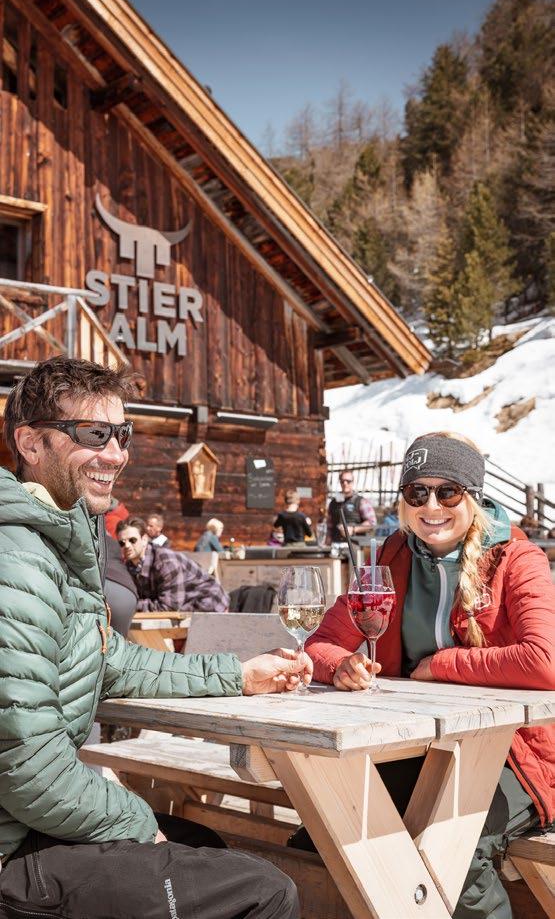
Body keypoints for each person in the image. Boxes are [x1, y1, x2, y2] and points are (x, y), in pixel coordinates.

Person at [0, 356, 310, 919]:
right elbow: (28, 766)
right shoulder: (16, 557)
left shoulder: (55, 538)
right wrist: (138, 823)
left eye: (122, 434)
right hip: (11, 849)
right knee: (263, 892)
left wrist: (238, 674)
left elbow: (109, 659)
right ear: (31, 443)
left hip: (26, 823)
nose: (116, 453)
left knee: (205, 847)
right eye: (92, 434)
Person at [306, 431, 555, 919]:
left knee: (454, 848)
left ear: (473, 497)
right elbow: (319, 643)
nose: (432, 506)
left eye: (448, 492)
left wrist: (440, 665)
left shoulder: (516, 559)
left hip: (519, 754)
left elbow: (543, 661)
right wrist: (342, 666)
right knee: (334, 830)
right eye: (417, 492)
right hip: (420, 747)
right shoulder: (392, 557)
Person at [117, 516, 230, 613]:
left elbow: (168, 607)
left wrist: (131, 605)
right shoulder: (129, 566)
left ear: (144, 539)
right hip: (183, 608)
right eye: (122, 543)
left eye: (132, 540)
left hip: (211, 605)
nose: (127, 546)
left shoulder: (166, 562)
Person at [326, 468, 376, 543]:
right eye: (342, 481)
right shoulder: (333, 503)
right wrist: (327, 541)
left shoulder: (361, 501)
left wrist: (353, 529)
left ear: (353, 482)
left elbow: (372, 523)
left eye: (348, 481)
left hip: (354, 545)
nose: (345, 483)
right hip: (336, 544)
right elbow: (329, 526)